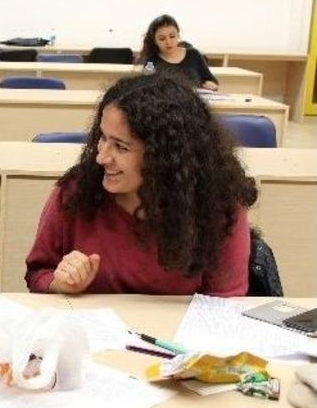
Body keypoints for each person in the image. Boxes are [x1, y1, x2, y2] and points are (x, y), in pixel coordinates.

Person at [25, 74, 256, 296]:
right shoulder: (76, 191)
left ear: (163, 157)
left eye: (121, 147)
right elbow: (38, 273)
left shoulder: (219, 206)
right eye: (102, 138)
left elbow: (225, 302)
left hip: (175, 326)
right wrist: (59, 284)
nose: (101, 157)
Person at [137, 14, 218, 91]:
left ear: (178, 35)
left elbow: (212, 81)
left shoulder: (194, 54)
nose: (168, 42)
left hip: (194, 99)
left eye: (172, 36)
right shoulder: (151, 62)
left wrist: (210, 85)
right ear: (155, 41)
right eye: (162, 39)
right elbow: (145, 89)